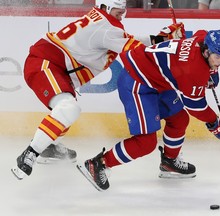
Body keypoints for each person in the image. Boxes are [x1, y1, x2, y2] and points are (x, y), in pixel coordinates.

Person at [11, 0, 185, 180]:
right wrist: (173, 46)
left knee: (66, 111)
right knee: (68, 108)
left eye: (123, 9)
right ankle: (30, 153)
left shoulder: (103, 23)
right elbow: (138, 52)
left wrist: (161, 39)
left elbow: (127, 40)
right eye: (119, 9)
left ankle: (50, 146)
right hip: (46, 64)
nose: (122, 12)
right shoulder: (107, 27)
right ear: (105, 7)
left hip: (51, 65)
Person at [77, 29, 220, 191]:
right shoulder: (193, 70)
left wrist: (212, 69)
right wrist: (216, 124)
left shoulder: (203, 40)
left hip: (156, 79)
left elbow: (201, 32)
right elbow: (196, 107)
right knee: (146, 143)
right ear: (206, 51)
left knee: (179, 119)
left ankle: (169, 161)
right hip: (137, 81)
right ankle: (98, 164)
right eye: (217, 57)